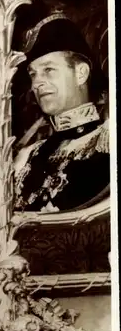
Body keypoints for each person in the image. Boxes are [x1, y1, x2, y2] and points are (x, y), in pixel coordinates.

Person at [13, 13, 110, 213]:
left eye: (48, 70)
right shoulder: (27, 156)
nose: (36, 83)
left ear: (81, 73)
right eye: (33, 74)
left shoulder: (108, 143)